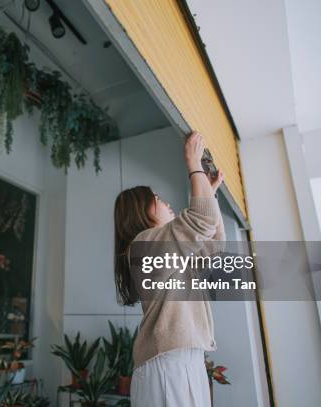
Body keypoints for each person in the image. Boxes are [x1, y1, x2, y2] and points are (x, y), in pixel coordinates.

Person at [113, 131, 225, 407]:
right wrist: (193, 163)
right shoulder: (144, 246)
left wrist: (208, 192)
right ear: (141, 211)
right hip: (169, 364)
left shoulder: (161, 249)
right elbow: (203, 221)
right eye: (157, 197)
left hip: (182, 361)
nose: (167, 203)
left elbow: (213, 245)